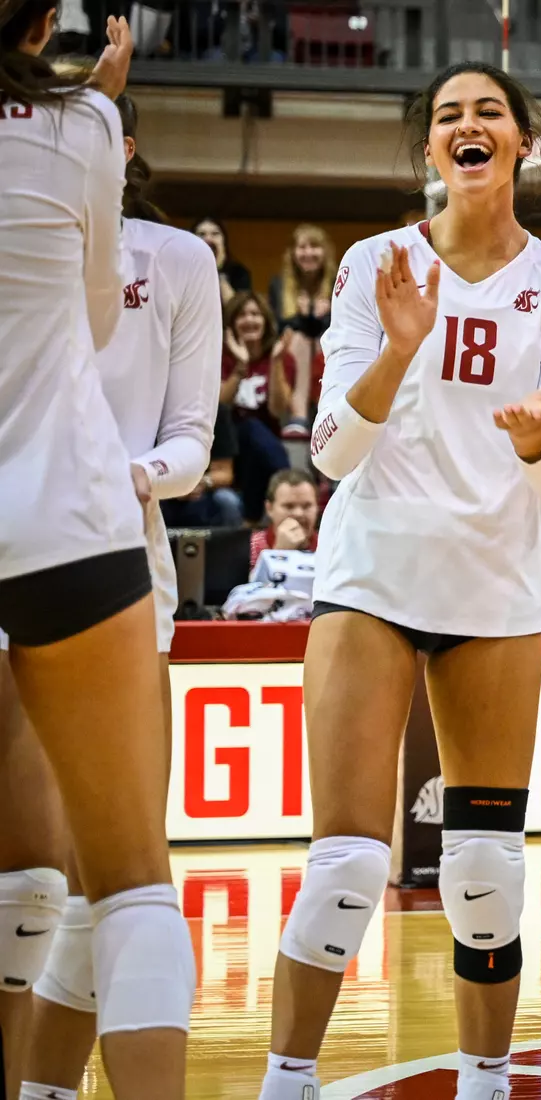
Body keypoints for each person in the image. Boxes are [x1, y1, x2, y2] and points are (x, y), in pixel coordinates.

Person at [256, 60, 541, 1100]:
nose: (468, 123)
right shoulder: (377, 265)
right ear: (430, 153)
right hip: (372, 572)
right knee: (349, 867)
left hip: (495, 584)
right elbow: (328, 453)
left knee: (486, 872)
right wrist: (398, 347)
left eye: (487, 111)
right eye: (448, 114)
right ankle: (285, 1079)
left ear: (520, 142)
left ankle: (485, 1081)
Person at [0, 10, 196, 1099]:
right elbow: (97, 320)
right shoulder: (79, 127)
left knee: (21, 882)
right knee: (127, 884)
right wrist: (99, 101)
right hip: (67, 513)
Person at [220, 290, 294, 517]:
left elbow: (278, 409)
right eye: (241, 315)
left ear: (265, 321)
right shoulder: (219, 356)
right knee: (250, 428)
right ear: (231, 323)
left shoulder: (282, 357)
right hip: (229, 449)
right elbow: (220, 406)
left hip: (265, 453)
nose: (249, 320)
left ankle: (252, 520)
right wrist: (241, 365)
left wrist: (276, 362)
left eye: (255, 314)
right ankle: (289, 490)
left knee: (256, 435)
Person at [266, 223, 337, 432]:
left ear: (325, 252)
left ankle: (324, 409)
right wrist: (304, 317)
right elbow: (279, 326)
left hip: (326, 349)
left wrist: (319, 319)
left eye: (314, 247)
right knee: (300, 338)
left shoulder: (336, 282)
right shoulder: (279, 284)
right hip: (292, 353)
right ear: (292, 253)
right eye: (302, 247)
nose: (308, 253)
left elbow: (341, 325)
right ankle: (299, 416)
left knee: (318, 339)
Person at [249, 469, 321, 569]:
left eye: (306, 506)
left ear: (317, 507)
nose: (299, 514)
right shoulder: (249, 548)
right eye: (289, 506)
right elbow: (250, 584)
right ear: (269, 508)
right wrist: (280, 553)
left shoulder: (331, 548)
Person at [192, 215, 253, 303]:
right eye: (202, 234)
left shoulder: (239, 273)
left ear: (224, 242)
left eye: (215, 234)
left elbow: (234, 309)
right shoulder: (184, 272)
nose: (208, 238)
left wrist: (218, 271)